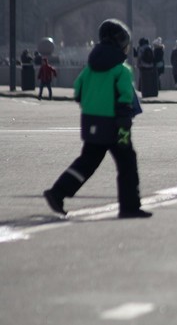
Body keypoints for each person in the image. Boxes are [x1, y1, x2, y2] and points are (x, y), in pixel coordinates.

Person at [43, 19, 151, 219]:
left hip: (91, 122)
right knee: (127, 163)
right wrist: (123, 122)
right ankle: (129, 207)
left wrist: (93, 105)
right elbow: (125, 97)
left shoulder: (90, 67)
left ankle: (58, 192)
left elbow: (77, 90)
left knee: (87, 162)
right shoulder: (121, 70)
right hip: (116, 125)